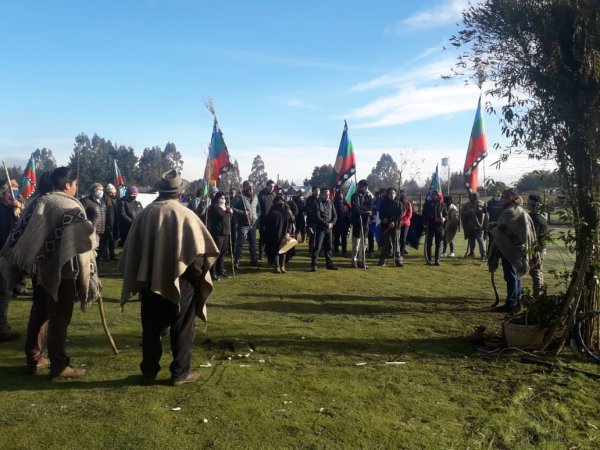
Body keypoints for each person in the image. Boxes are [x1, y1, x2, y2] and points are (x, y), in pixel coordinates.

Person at [119, 169, 219, 386]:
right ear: (179, 192)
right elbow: (200, 252)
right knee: (182, 326)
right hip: (181, 279)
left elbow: (132, 250)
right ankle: (180, 373)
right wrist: (197, 274)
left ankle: (149, 371)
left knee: (151, 327)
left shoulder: (145, 213)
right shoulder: (185, 214)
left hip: (149, 279)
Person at [1, 167, 100, 379]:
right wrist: (92, 225)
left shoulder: (38, 201)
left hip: (40, 270)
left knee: (39, 314)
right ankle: (59, 366)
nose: (76, 187)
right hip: (63, 272)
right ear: (67, 185)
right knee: (59, 318)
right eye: (75, 184)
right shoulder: (69, 205)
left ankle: (35, 358)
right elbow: (86, 239)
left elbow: (24, 232)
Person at [488, 189, 538, 312]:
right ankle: (516, 300)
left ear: (511, 197)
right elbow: (505, 226)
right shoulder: (518, 210)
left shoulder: (511, 211)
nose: (502, 199)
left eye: (505, 197)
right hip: (515, 248)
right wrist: (496, 224)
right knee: (515, 275)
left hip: (510, 248)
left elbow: (503, 229)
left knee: (510, 275)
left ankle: (511, 303)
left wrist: (492, 226)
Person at [0, 179, 24, 342]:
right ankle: (2, 329)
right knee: (3, 293)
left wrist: (17, 210)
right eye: (9, 192)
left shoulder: (7, 209)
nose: (12, 195)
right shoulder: (2, 211)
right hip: (2, 256)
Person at [231, 180, 261, 268]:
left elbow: (259, 208)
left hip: (253, 224)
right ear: (244, 187)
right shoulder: (239, 197)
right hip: (243, 224)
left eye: (252, 186)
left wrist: (257, 216)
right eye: (248, 186)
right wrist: (242, 212)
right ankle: (237, 260)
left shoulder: (255, 197)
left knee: (252, 242)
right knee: (239, 243)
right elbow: (231, 206)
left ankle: (254, 260)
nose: (251, 188)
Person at [263, 195, 295, 273]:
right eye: (278, 200)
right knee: (275, 250)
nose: (279, 202)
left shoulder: (287, 209)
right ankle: (276, 266)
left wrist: (288, 232)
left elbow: (291, 221)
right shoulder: (272, 210)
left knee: (284, 249)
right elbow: (268, 223)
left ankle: (282, 266)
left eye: (281, 200)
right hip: (274, 234)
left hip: (284, 233)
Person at [526, 194, 548, 297]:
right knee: (538, 271)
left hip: (536, 248)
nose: (527, 204)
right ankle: (539, 293)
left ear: (533, 204)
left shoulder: (533, 218)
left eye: (529, 203)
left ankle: (537, 296)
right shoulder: (542, 216)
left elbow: (532, 235)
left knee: (536, 272)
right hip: (540, 247)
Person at [207, 191, 232, 280]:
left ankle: (220, 271)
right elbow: (221, 217)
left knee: (222, 254)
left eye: (224, 198)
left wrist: (228, 211)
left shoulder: (225, 208)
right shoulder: (214, 207)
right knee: (216, 254)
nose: (223, 200)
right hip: (217, 234)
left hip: (226, 233)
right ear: (217, 199)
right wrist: (228, 212)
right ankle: (212, 273)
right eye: (221, 198)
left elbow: (228, 218)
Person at [311, 189, 338, 271]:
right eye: (326, 194)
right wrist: (327, 224)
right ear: (322, 195)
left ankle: (329, 264)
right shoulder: (317, 203)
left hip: (329, 229)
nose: (328, 195)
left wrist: (332, 223)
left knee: (329, 247)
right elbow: (318, 217)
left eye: (328, 194)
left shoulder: (330, 202)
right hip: (321, 229)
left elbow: (335, 215)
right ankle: (314, 265)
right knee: (317, 247)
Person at [378, 187, 404, 267]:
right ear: (388, 194)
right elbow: (381, 213)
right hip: (385, 226)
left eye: (393, 193)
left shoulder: (399, 204)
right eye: (390, 193)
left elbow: (400, 215)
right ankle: (382, 260)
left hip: (395, 226)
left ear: (395, 194)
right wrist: (383, 218)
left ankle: (398, 260)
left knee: (396, 244)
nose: (391, 195)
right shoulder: (384, 203)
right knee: (385, 243)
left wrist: (394, 222)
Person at [350, 180, 373, 269]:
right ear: (359, 187)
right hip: (357, 222)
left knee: (364, 243)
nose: (365, 188)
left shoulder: (368, 196)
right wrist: (365, 211)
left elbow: (370, 207)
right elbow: (355, 208)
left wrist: (364, 210)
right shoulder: (354, 196)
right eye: (364, 187)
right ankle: (354, 260)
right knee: (356, 242)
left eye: (366, 187)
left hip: (366, 222)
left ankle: (361, 260)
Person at [423, 190, 448, 266]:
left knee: (438, 243)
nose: (435, 196)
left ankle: (437, 259)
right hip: (430, 226)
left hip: (439, 227)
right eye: (434, 195)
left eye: (437, 195)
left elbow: (446, 214)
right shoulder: (427, 204)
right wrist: (434, 219)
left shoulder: (443, 204)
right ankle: (429, 259)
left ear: (439, 196)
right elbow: (425, 215)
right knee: (429, 243)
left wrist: (444, 218)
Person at [461, 192, 488, 260]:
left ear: (476, 196)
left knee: (480, 239)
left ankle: (483, 254)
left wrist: (477, 211)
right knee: (471, 239)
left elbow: (484, 212)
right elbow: (462, 212)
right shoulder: (467, 204)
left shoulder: (481, 203)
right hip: (470, 225)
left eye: (473, 196)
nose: (471, 197)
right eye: (470, 196)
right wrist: (470, 212)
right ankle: (472, 252)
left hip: (479, 225)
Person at [81, 182, 107, 253]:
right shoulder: (85, 201)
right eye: (99, 189)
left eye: (102, 190)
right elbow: (81, 215)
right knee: (91, 252)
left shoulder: (103, 202)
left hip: (102, 231)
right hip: (91, 231)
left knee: (100, 252)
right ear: (93, 190)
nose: (101, 192)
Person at [99, 183, 119, 261]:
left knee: (111, 241)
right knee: (103, 243)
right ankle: (101, 256)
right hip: (107, 225)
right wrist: (107, 224)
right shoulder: (104, 201)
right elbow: (105, 214)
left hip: (111, 224)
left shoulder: (111, 200)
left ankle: (111, 256)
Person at [258, 180, 276, 260]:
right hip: (263, 220)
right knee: (262, 238)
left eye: (273, 186)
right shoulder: (261, 195)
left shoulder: (274, 195)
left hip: (272, 220)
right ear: (267, 186)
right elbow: (258, 207)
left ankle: (268, 253)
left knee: (270, 238)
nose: (272, 188)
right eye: (271, 186)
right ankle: (261, 253)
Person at [333, 190, 351, 256]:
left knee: (344, 238)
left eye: (342, 194)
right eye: (339, 194)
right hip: (337, 223)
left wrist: (349, 221)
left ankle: (344, 251)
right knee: (336, 238)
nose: (341, 196)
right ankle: (336, 250)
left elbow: (349, 212)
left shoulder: (345, 203)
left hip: (345, 223)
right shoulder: (334, 204)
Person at [305, 186, 320, 254]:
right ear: (313, 191)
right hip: (311, 222)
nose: (318, 192)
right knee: (312, 237)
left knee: (319, 237)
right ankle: (311, 250)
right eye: (316, 190)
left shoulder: (320, 199)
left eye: (318, 190)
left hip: (320, 222)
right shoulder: (309, 199)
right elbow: (308, 210)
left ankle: (318, 250)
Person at [398, 190, 413, 256]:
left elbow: (409, 214)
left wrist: (402, 221)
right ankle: (397, 251)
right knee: (397, 238)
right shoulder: (397, 203)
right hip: (397, 223)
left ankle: (402, 252)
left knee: (403, 239)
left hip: (405, 224)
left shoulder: (407, 204)